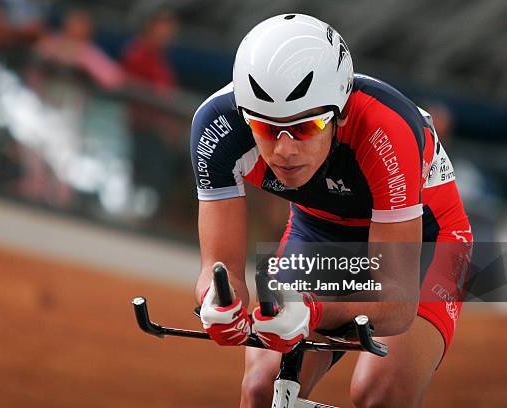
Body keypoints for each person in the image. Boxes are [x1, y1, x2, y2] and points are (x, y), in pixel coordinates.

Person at [190, 14, 473, 407]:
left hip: (426, 241)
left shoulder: (385, 129)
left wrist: (311, 308)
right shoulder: (215, 129)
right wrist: (217, 301)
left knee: (380, 392)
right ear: (243, 117)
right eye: (266, 128)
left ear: (339, 113)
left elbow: (397, 303)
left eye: (305, 128)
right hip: (321, 233)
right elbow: (219, 269)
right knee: (262, 388)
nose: (285, 150)